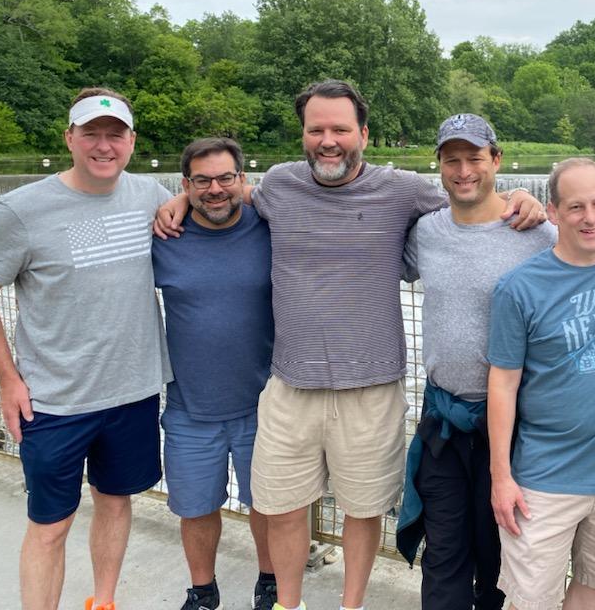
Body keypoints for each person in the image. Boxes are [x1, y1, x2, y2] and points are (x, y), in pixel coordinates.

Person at [154, 79, 544, 610]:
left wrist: (525, 198)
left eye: (340, 128)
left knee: (363, 511)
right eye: (316, 129)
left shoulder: (403, 189)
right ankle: (288, 604)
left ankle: (350, 605)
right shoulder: (282, 185)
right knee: (283, 507)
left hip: (371, 387)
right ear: (304, 135)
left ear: (363, 132)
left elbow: (471, 196)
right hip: (291, 385)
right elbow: (225, 190)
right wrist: (180, 197)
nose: (328, 139)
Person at [0, 88, 172, 610]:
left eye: (115, 134)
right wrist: (9, 378)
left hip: (133, 392)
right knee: (50, 526)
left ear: (132, 141)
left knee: (117, 502)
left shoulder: (151, 194)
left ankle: (103, 600)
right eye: (91, 134)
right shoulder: (22, 209)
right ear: (69, 138)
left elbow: (212, 199)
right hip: (54, 400)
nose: (104, 146)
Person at [395, 114, 557, 610]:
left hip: (512, 425)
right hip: (443, 419)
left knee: (497, 554)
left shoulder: (536, 234)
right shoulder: (425, 232)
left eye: (475, 159)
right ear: (439, 165)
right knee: (443, 553)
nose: (464, 170)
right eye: (452, 160)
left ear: (497, 161)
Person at [487, 158, 595, 610]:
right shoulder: (519, 288)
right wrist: (501, 476)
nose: (591, 217)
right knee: (529, 600)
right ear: (554, 212)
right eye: (576, 207)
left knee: (593, 591)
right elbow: (501, 385)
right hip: (545, 477)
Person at [151, 138, 276, 610]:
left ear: (244, 180)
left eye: (226, 178)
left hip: (265, 401)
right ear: (185, 185)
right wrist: (174, 204)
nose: (215, 189)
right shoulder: (164, 236)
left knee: (269, 505)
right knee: (196, 507)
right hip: (189, 405)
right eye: (201, 181)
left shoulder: (270, 226)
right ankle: (203, 591)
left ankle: (270, 582)